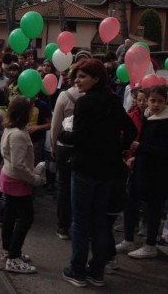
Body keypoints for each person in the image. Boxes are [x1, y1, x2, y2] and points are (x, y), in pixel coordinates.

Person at [59, 59, 136, 288]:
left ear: (96, 78)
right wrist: (117, 147)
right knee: (100, 222)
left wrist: (64, 135)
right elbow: (130, 130)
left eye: (82, 76)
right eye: (76, 76)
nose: (77, 81)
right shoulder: (113, 100)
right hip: (108, 171)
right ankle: (97, 271)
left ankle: (78, 271)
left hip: (85, 169)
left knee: (81, 222)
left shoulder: (86, 103)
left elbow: (81, 138)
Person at [117, 85, 168, 259]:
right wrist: (135, 156)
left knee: (153, 207)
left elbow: (163, 150)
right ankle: (128, 239)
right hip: (141, 167)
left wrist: (141, 147)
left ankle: (150, 244)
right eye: (152, 100)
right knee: (131, 201)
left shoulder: (164, 121)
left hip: (157, 172)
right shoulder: (148, 116)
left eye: (160, 101)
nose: (155, 105)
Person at [0, 95, 46, 273]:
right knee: (25, 218)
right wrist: (34, 179)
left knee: (11, 215)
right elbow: (19, 164)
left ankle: (9, 249)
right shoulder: (18, 134)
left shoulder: (12, 129)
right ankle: (13, 257)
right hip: (17, 180)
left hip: (10, 176)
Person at [50, 74, 85, 240]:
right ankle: (81, 226)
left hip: (64, 145)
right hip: (84, 147)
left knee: (64, 186)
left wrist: (53, 144)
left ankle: (63, 226)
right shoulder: (95, 96)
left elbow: (56, 123)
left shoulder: (64, 95)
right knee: (82, 186)